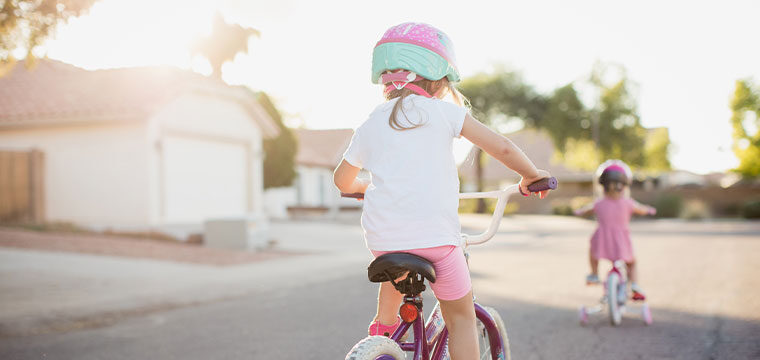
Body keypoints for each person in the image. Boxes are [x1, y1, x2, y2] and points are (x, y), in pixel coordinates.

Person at [333, 22, 551, 360]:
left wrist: (363, 186)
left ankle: (384, 333)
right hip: (437, 240)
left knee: (394, 261)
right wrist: (530, 175)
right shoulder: (445, 112)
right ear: (438, 77)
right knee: (461, 316)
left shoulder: (371, 121)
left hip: (384, 240)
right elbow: (503, 148)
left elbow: (342, 181)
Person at [574, 160, 656, 301]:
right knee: (632, 262)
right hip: (621, 240)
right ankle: (635, 285)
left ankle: (594, 273)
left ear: (603, 186)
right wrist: (649, 210)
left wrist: (579, 211)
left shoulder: (599, 203)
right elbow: (641, 209)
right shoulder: (628, 203)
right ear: (624, 186)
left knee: (593, 252)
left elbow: (587, 209)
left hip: (602, 239)